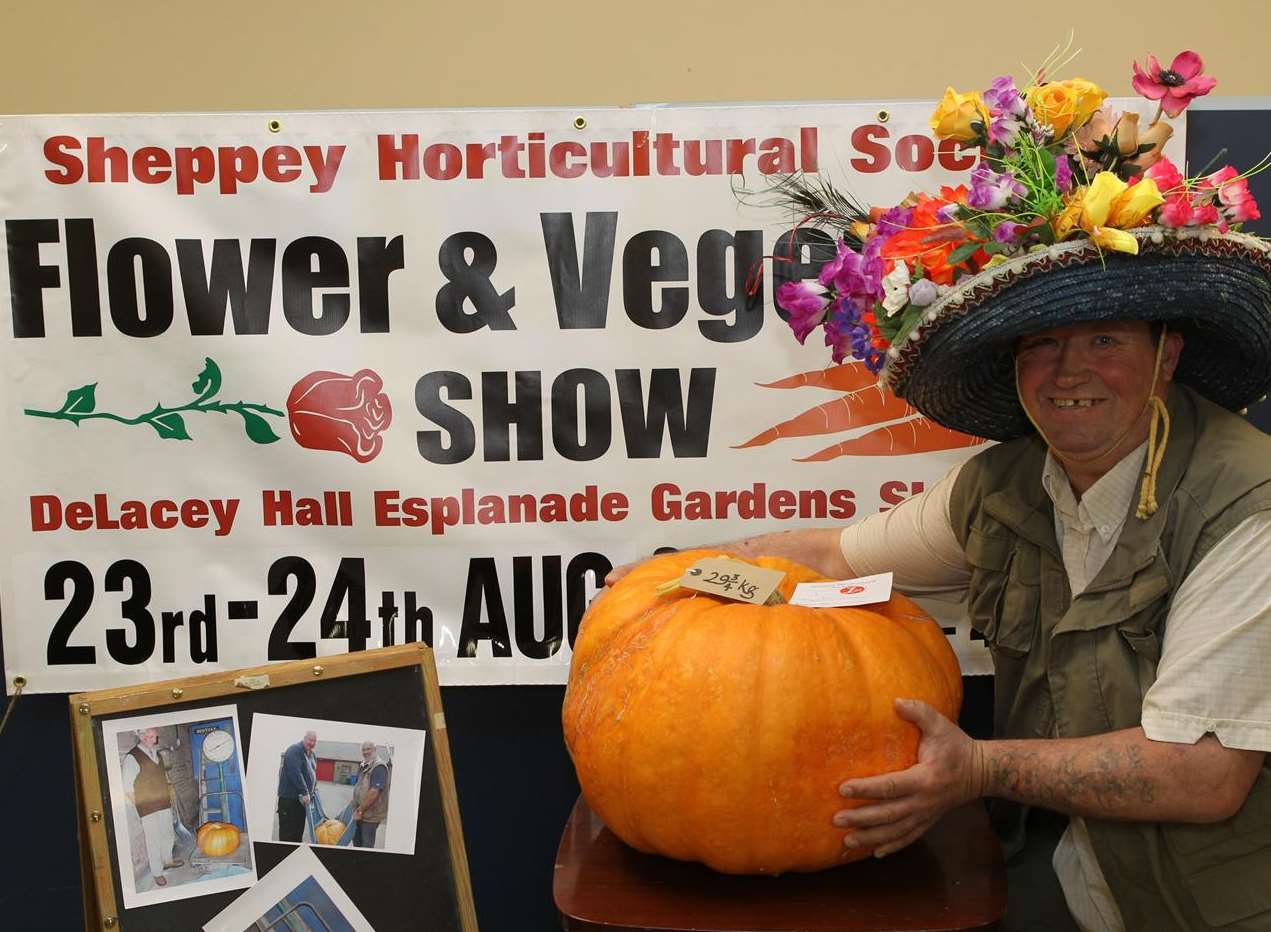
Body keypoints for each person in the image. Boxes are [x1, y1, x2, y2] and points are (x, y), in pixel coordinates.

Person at [605, 63, 1271, 931]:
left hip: (1198, 904)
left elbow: (1201, 774)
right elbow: (831, 558)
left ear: (1167, 354)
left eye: (1103, 338)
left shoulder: (1242, 503)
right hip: (1043, 874)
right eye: (1039, 344)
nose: (1068, 373)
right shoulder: (997, 486)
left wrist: (978, 770)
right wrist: (673, 584)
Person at [121, 727, 182, 887]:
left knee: (168, 833)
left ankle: (167, 860)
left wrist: (169, 791)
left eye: (153, 736)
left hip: (163, 802)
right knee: (153, 839)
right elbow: (127, 787)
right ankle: (157, 872)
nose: (151, 739)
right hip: (147, 806)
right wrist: (140, 806)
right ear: (140, 736)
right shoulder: (132, 757)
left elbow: (161, 776)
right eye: (147, 736)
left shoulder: (157, 754)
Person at [276, 730, 317, 842]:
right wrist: (305, 792)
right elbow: (295, 772)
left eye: (314, 741)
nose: (312, 743)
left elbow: (313, 774)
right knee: (288, 835)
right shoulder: (294, 750)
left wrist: (314, 789)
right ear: (304, 738)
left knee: (298, 834)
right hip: (290, 800)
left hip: (302, 802)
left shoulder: (312, 755)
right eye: (310, 740)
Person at [352, 740, 391, 848]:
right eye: (363, 749)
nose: (366, 752)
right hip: (360, 812)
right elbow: (359, 787)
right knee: (357, 842)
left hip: (370, 815)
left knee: (366, 844)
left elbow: (374, 792)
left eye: (368, 749)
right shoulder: (364, 765)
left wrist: (359, 811)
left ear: (375, 750)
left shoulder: (379, 766)